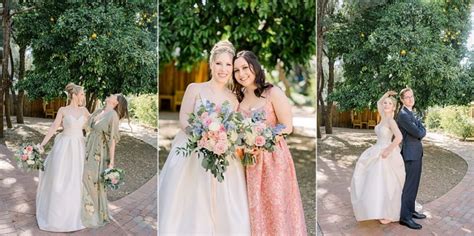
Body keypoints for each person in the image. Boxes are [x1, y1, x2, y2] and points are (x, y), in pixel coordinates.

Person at [159, 40, 250, 235]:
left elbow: (234, 127)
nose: (223, 69)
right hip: (192, 150)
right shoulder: (195, 88)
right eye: (219, 63)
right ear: (211, 64)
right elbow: (183, 118)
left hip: (222, 154)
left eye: (228, 65)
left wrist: (222, 140)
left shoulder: (234, 98)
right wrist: (201, 136)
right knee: (191, 199)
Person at [233, 50, 307, 235]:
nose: (241, 73)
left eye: (244, 67)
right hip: (248, 162)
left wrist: (262, 141)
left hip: (274, 159)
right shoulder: (238, 97)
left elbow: (287, 126)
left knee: (276, 207)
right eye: (236, 70)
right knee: (254, 208)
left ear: (255, 67)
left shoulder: (273, 92)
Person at [36, 83, 89, 232]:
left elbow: (93, 127)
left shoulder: (85, 111)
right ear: (74, 95)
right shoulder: (63, 110)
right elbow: (54, 127)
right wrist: (42, 144)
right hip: (64, 147)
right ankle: (56, 217)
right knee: (60, 179)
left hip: (79, 147)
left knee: (77, 179)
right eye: (82, 94)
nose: (83, 97)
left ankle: (74, 216)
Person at [350, 91, 405, 224]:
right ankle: (377, 208)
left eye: (390, 103)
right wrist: (386, 94)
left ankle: (388, 213)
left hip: (386, 152)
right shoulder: (383, 117)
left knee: (387, 182)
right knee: (374, 181)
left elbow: (399, 137)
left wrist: (388, 150)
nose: (386, 104)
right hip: (376, 149)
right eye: (385, 103)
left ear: (394, 107)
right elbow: (378, 103)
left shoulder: (391, 121)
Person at [81, 93, 128, 227]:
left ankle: (93, 212)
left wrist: (111, 162)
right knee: (84, 176)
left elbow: (112, 140)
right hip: (88, 146)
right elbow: (86, 124)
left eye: (114, 95)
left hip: (98, 152)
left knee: (89, 178)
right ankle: (82, 209)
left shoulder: (112, 115)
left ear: (116, 102)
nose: (111, 94)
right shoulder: (99, 111)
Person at [397, 87, 426, 230]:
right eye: (407, 97)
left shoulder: (410, 112)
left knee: (414, 185)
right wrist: (421, 130)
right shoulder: (403, 115)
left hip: (416, 153)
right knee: (409, 186)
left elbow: (420, 128)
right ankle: (405, 217)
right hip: (410, 154)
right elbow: (418, 132)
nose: (410, 99)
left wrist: (421, 129)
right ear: (402, 100)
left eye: (411, 96)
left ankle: (411, 210)